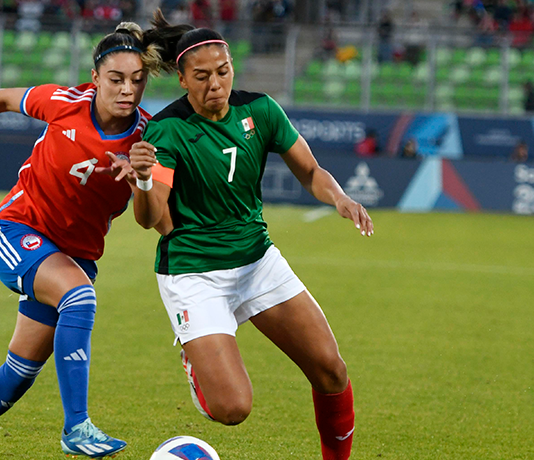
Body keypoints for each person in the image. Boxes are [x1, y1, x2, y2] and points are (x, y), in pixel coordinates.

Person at [0, 21, 183, 459]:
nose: (127, 89)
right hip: (18, 228)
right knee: (80, 298)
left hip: (74, 255)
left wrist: (143, 181)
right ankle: (77, 427)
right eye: (116, 79)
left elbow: (154, 221)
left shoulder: (148, 140)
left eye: (137, 80)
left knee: (22, 369)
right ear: (95, 79)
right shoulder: (64, 102)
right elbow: (2, 98)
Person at [125, 15, 372, 460]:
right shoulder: (167, 130)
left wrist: (338, 198)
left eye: (223, 71)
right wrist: (142, 181)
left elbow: (311, 171)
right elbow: (151, 219)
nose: (215, 83)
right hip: (194, 273)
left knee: (331, 371)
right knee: (233, 409)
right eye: (201, 77)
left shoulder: (260, 110)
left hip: (258, 262)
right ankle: (195, 358)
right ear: (182, 79)